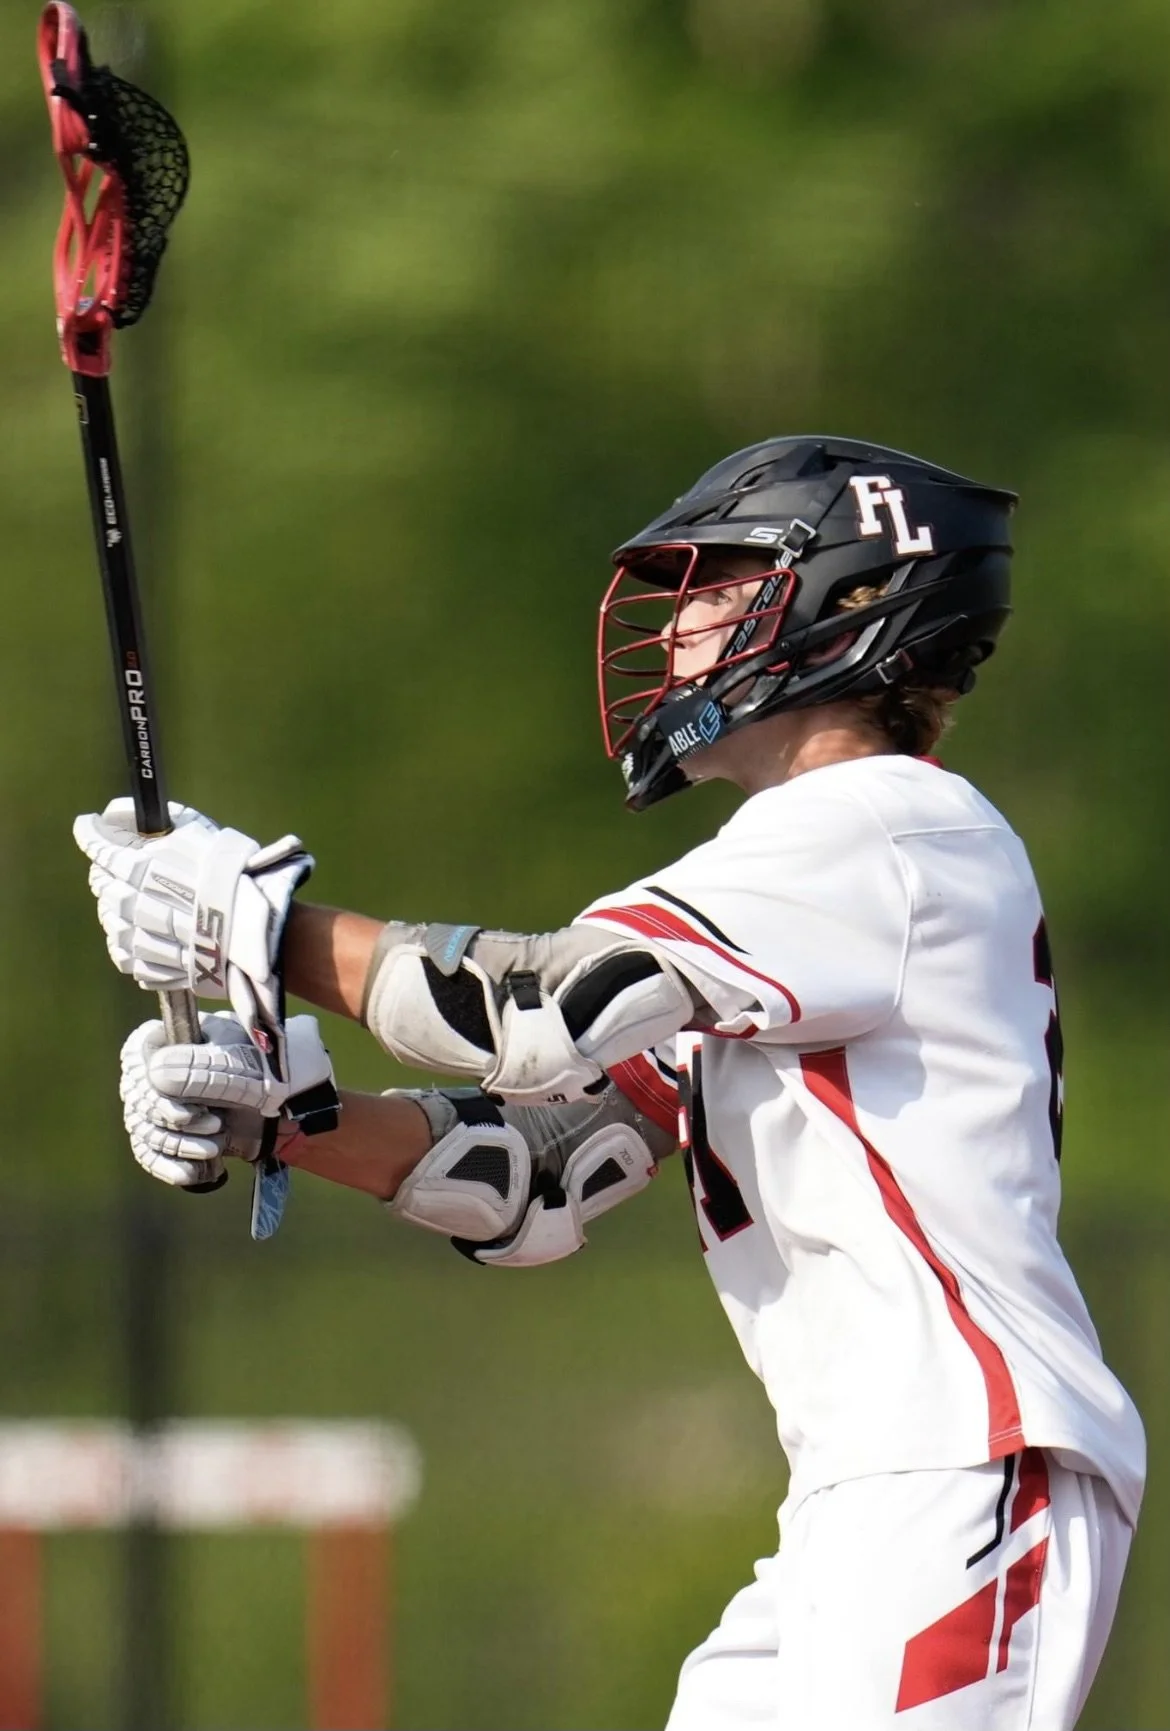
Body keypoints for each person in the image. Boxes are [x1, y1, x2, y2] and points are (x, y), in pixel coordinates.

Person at [75, 435, 1144, 1730]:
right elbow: (534, 1174)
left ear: (851, 599)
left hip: (965, 1463)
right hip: (855, 1501)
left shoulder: (881, 825)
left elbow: (535, 1008)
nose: (682, 616)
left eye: (723, 580)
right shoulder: (792, 898)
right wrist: (290, 1124)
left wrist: (259, 926)